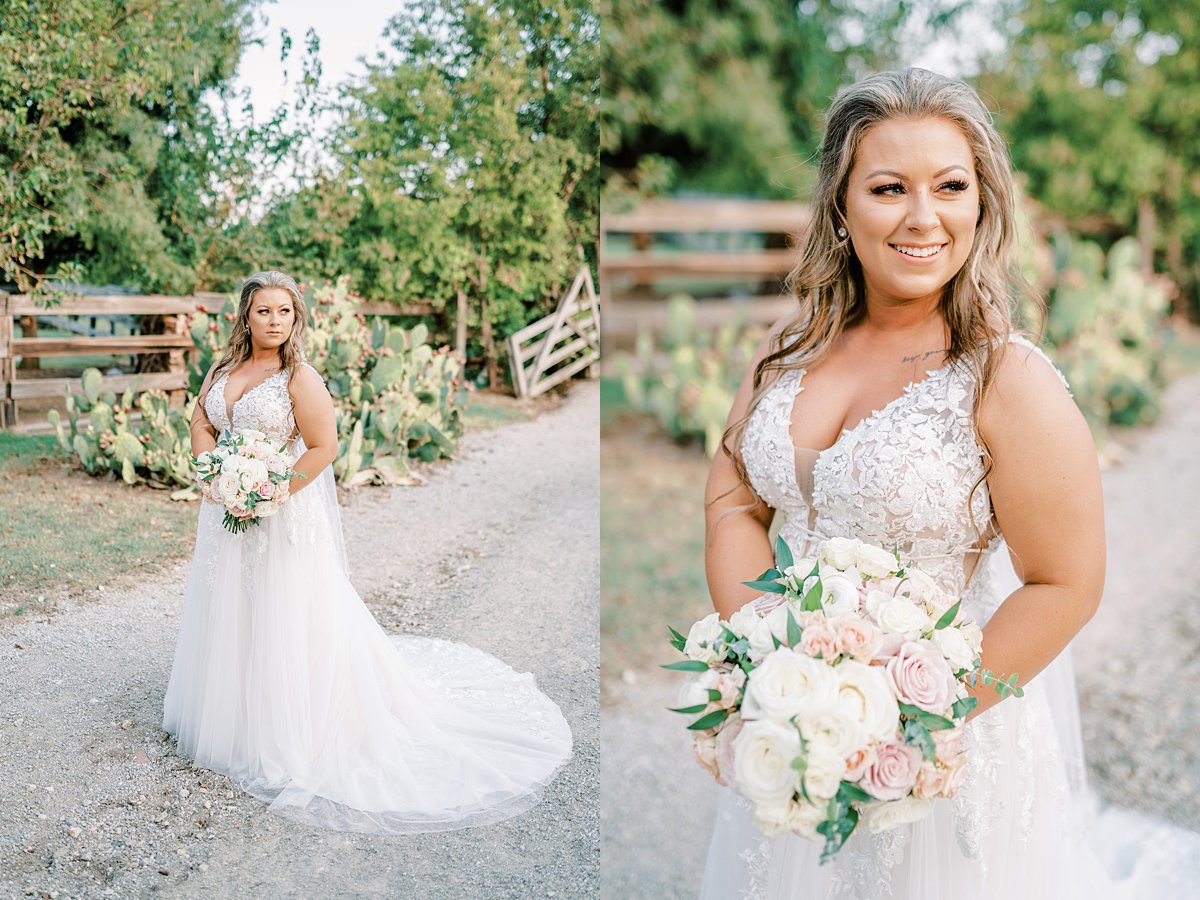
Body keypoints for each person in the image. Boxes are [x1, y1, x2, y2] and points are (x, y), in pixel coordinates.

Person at [697, 68, 1195, 898]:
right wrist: (767, 661)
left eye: (950, 187)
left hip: (940, 746)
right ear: (840, 207)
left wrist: (897, 721)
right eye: (888, 188)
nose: (923, 217)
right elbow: (733, 499)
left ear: (982, 203)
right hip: (794, 723)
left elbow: (1066, 582)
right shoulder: (784, 354)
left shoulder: (1005, 378)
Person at [163, 270, 571, 833]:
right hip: (224, 507)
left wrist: (266, 489)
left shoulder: (299, 378)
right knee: (229, 602)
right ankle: (229, 715)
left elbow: (323, 446)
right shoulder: (221, 369)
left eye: (285, 311)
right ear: (245, 315)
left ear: (296, 318)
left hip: (277, 509)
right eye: (264, 311)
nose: (274, 321)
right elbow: (202, 420)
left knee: (285, 609)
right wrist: (213, 471)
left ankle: (285, 726)